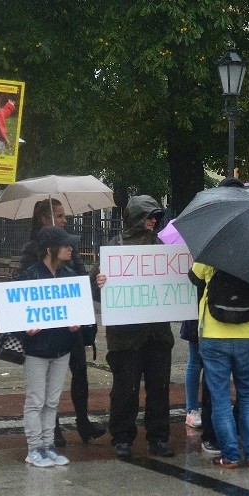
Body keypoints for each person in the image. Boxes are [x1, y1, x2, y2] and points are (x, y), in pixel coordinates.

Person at [92, 196, 174, 461]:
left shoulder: (161, 246)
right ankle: (122, 436)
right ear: (136, 218)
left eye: (156, 217)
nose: (153, 222)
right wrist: (99, 281)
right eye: (149, 216)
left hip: (157, 334)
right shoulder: (114, 248)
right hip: (125, 338)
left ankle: (158, 437)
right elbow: (93, 286)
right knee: (125, 389)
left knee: (159, 389)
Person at [19, 198, 105, 446]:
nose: (66, 219)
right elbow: (25, 287)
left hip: (69, 324)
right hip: (45, 328)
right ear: (46, 219)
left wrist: (92, 284)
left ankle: (83, 421)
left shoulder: (68, 249)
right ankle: (51, 432)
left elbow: (79, 279)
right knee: (43, 386)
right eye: (60, 215)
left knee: (79, 371)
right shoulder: (32, 250)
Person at [188, 228, 249, 468]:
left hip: (214, 334)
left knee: (220, 399)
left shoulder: (211, 250)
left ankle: (229, 455)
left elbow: (194, 278)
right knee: (248, 396)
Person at [16, 226, 80, 468]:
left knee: (52, 400)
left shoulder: (68, 275)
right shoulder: (30, 276)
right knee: (36, 400)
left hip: (61, 347)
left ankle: (48, 445)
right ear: (50, 250)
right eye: (65, 245)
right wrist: (25, 327)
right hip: (37, 349)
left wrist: (76, 325)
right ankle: (34, 448)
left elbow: (75, 308)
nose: (70, 248)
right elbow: (17, 311)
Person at [180, 319, 203, 428]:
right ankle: (192, 409)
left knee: (195, 361)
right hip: (197, 316)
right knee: (195, 360)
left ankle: (193, 409)